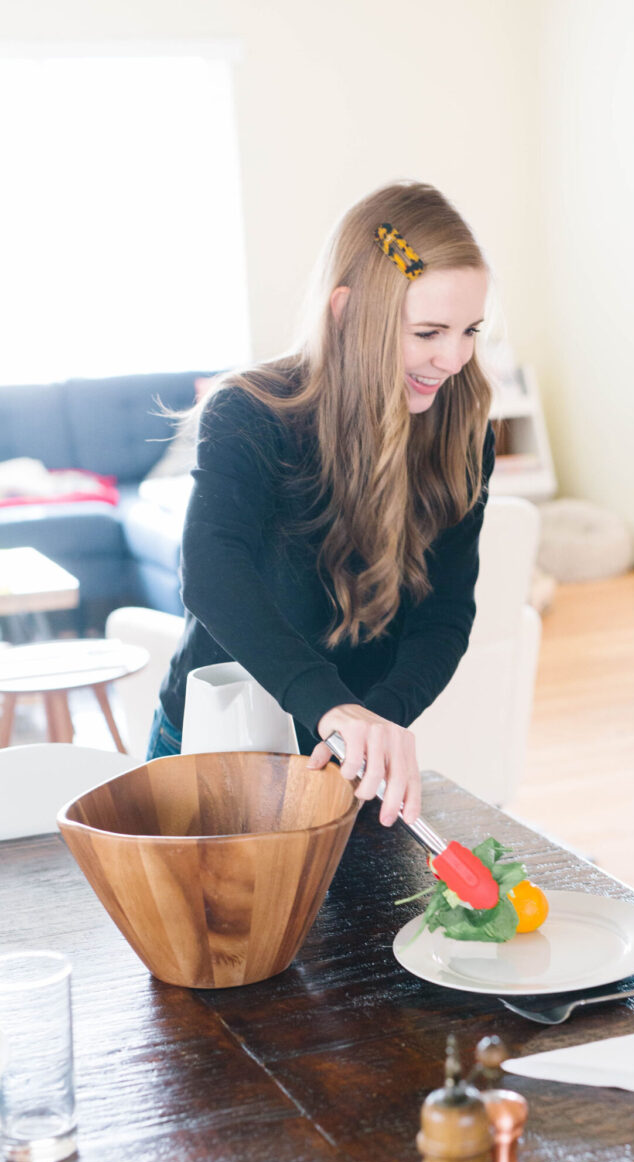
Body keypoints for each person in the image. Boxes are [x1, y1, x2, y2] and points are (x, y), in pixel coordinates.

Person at [148, 181, 495, 827]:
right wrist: (331, 706)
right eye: (429, 332)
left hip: (349, 762)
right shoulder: (250, 411)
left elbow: (444, 617)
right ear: (346, 311)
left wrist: (375, 723)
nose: (454, 358)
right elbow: (211, 574)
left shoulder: (462, 431)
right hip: (222, 743)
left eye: (470, 330)